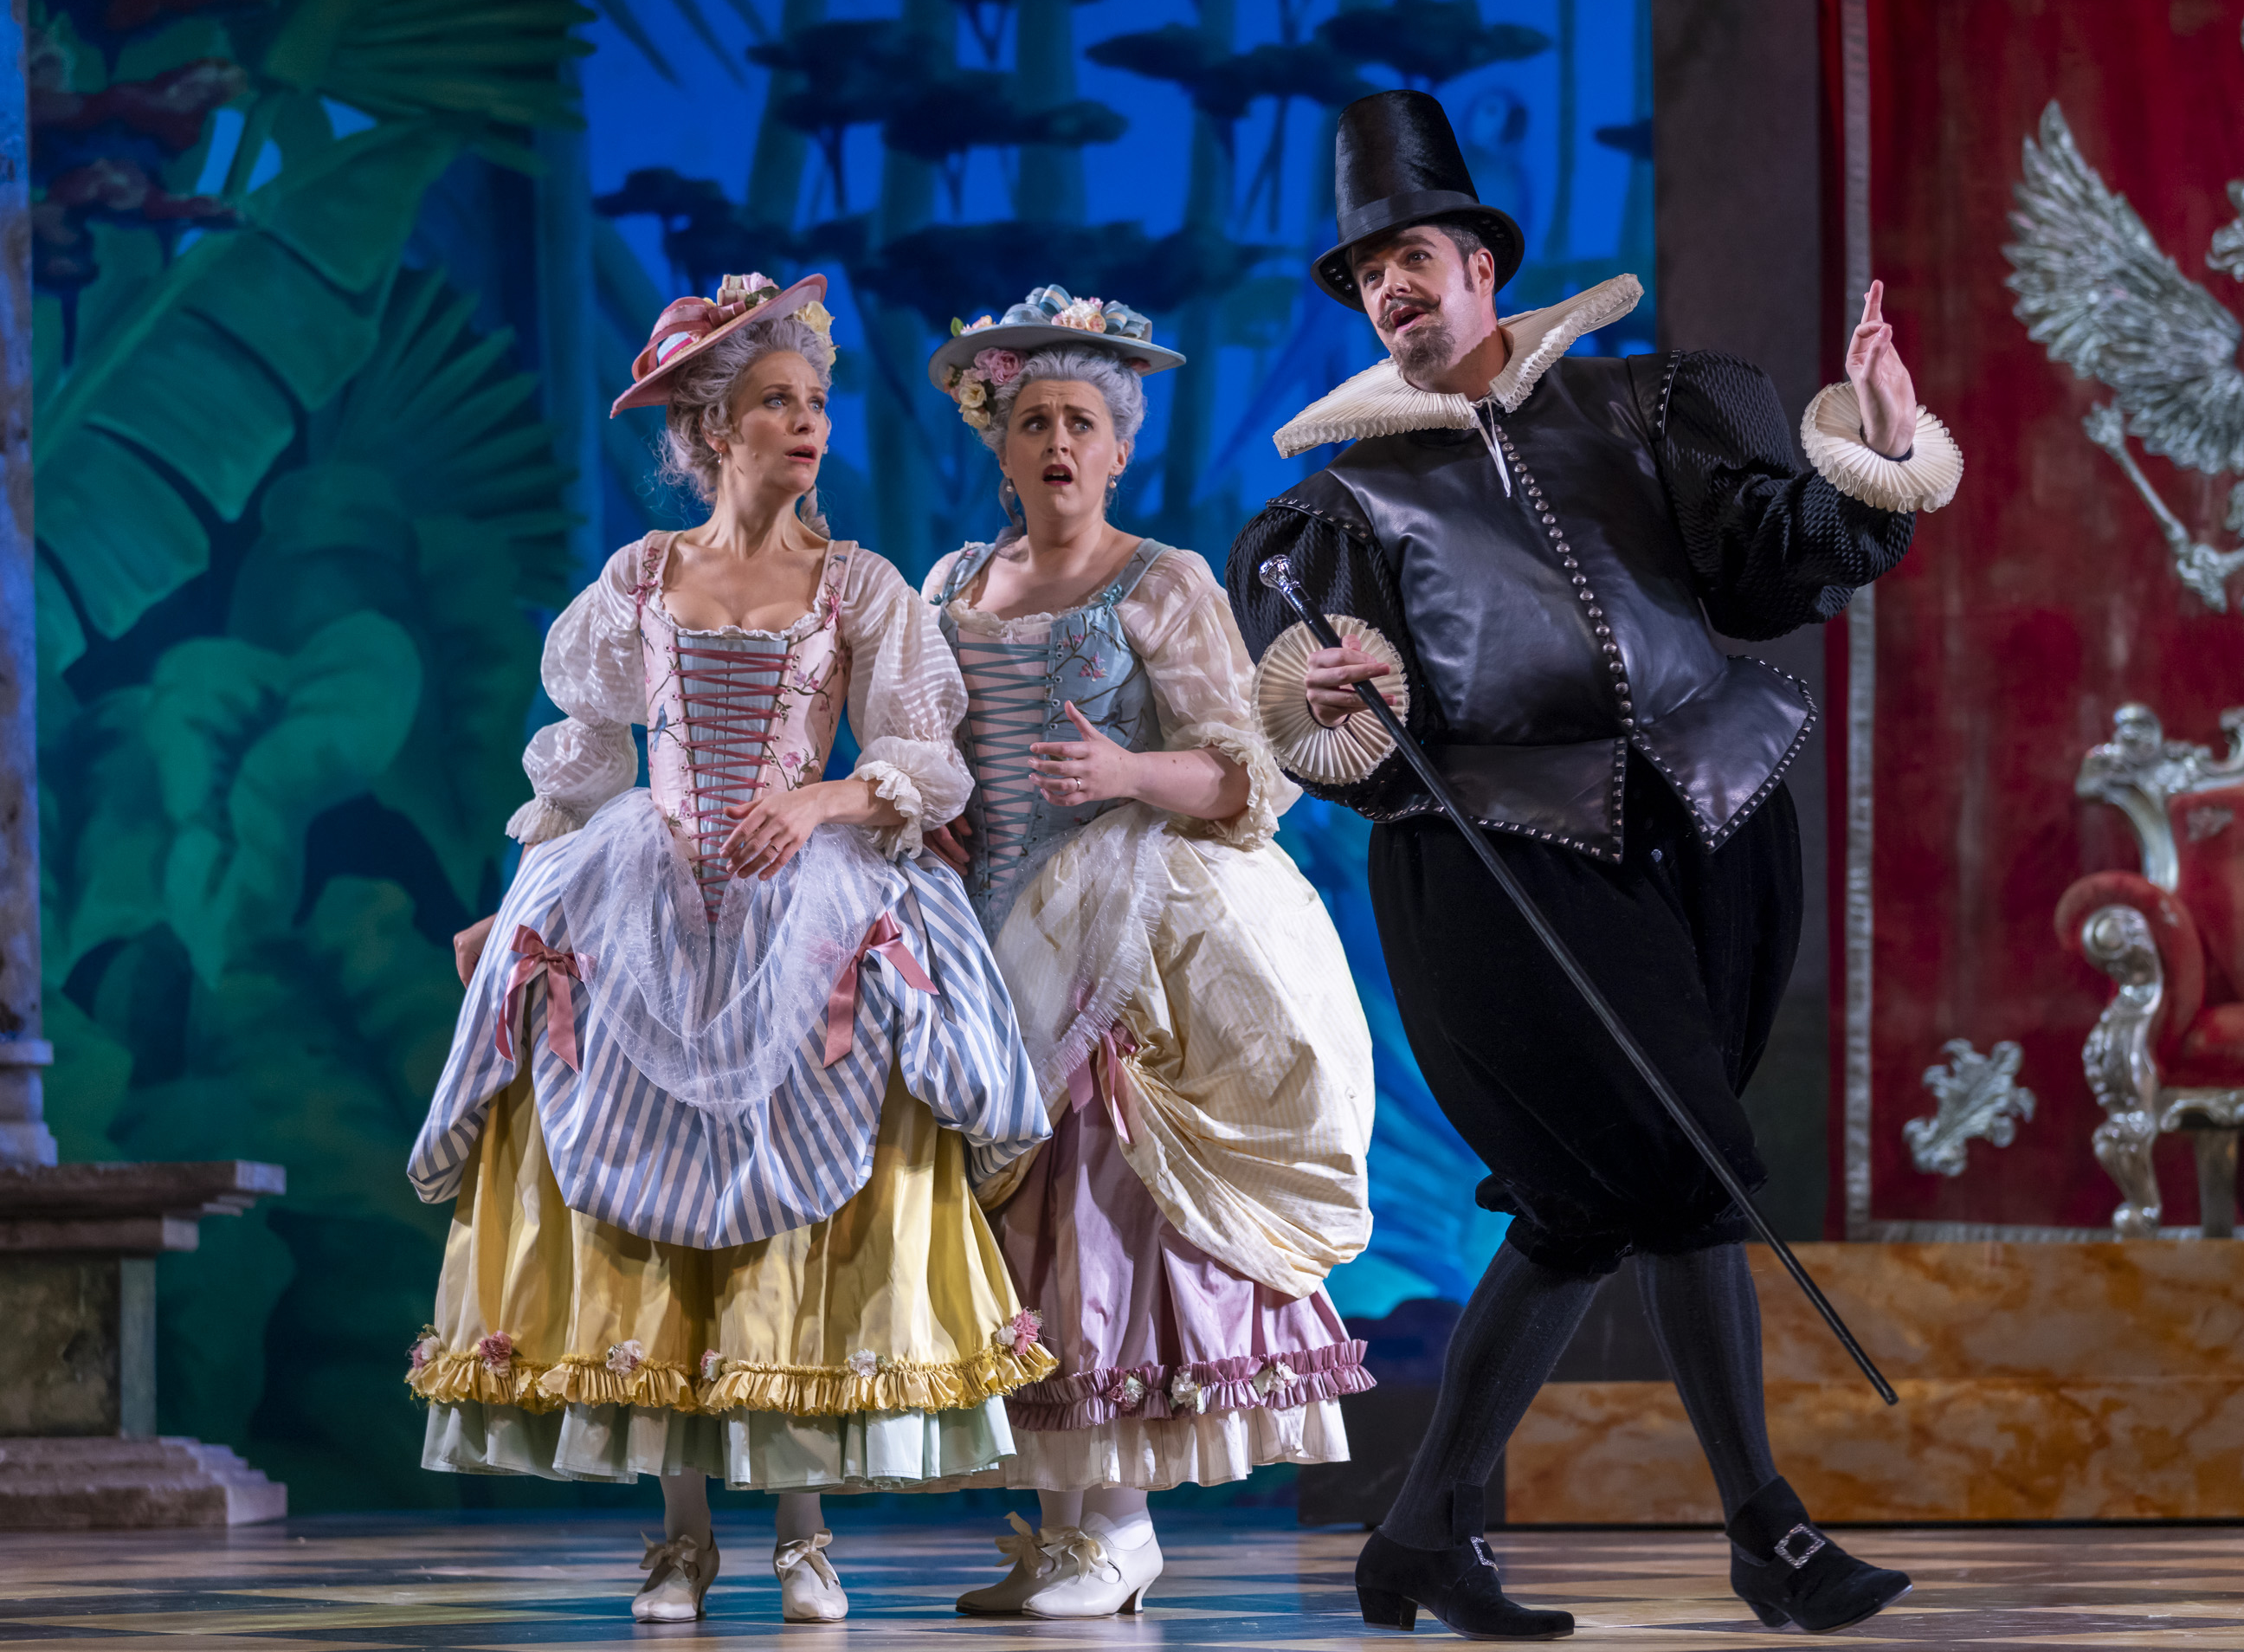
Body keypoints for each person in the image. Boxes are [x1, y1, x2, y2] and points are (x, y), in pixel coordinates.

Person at [1225, 92, 1964, 1638]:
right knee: (1689, 1174)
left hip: (1705, 826)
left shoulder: (1643, 409)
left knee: (1584, 1207)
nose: (1392, 293)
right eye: (1368, 278)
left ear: (1484, 263)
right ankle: (1769, 1532)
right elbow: (1330, 716)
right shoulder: (1342, 506)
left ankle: (1421, 1527)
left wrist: (1879, 446)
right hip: (1502, 871)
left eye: (1412, 257)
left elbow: (1774, 561)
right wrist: (1327, 695)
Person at [404, 273, 1054, 1626]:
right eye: (775, 402)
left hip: (801, 897)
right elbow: (581, 772)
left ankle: (803, 1532)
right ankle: (680, 1531)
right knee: (649, 1187)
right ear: (711, 429)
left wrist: (819, 799)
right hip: (645, 900)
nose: (806, 423)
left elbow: (920, 757)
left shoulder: (858, 585)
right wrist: (524, 901)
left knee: (806, 1188)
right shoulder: (640, 579)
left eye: (815, 402)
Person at [917, 287, 1377, 1619]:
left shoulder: (1159, 581)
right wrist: (931, 814)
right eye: (1033, 419)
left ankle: (1119, 1519)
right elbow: (926, 744)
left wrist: (1124, 767)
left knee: (1101, 1206)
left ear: (1119, 450)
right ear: (999, 446)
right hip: (985, 933)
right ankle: (1059, 1513)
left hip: (1120, 922)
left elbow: (1248, 777)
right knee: (1002, 1221)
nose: (1058, 441)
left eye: (1082, 421)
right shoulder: (953, 584)